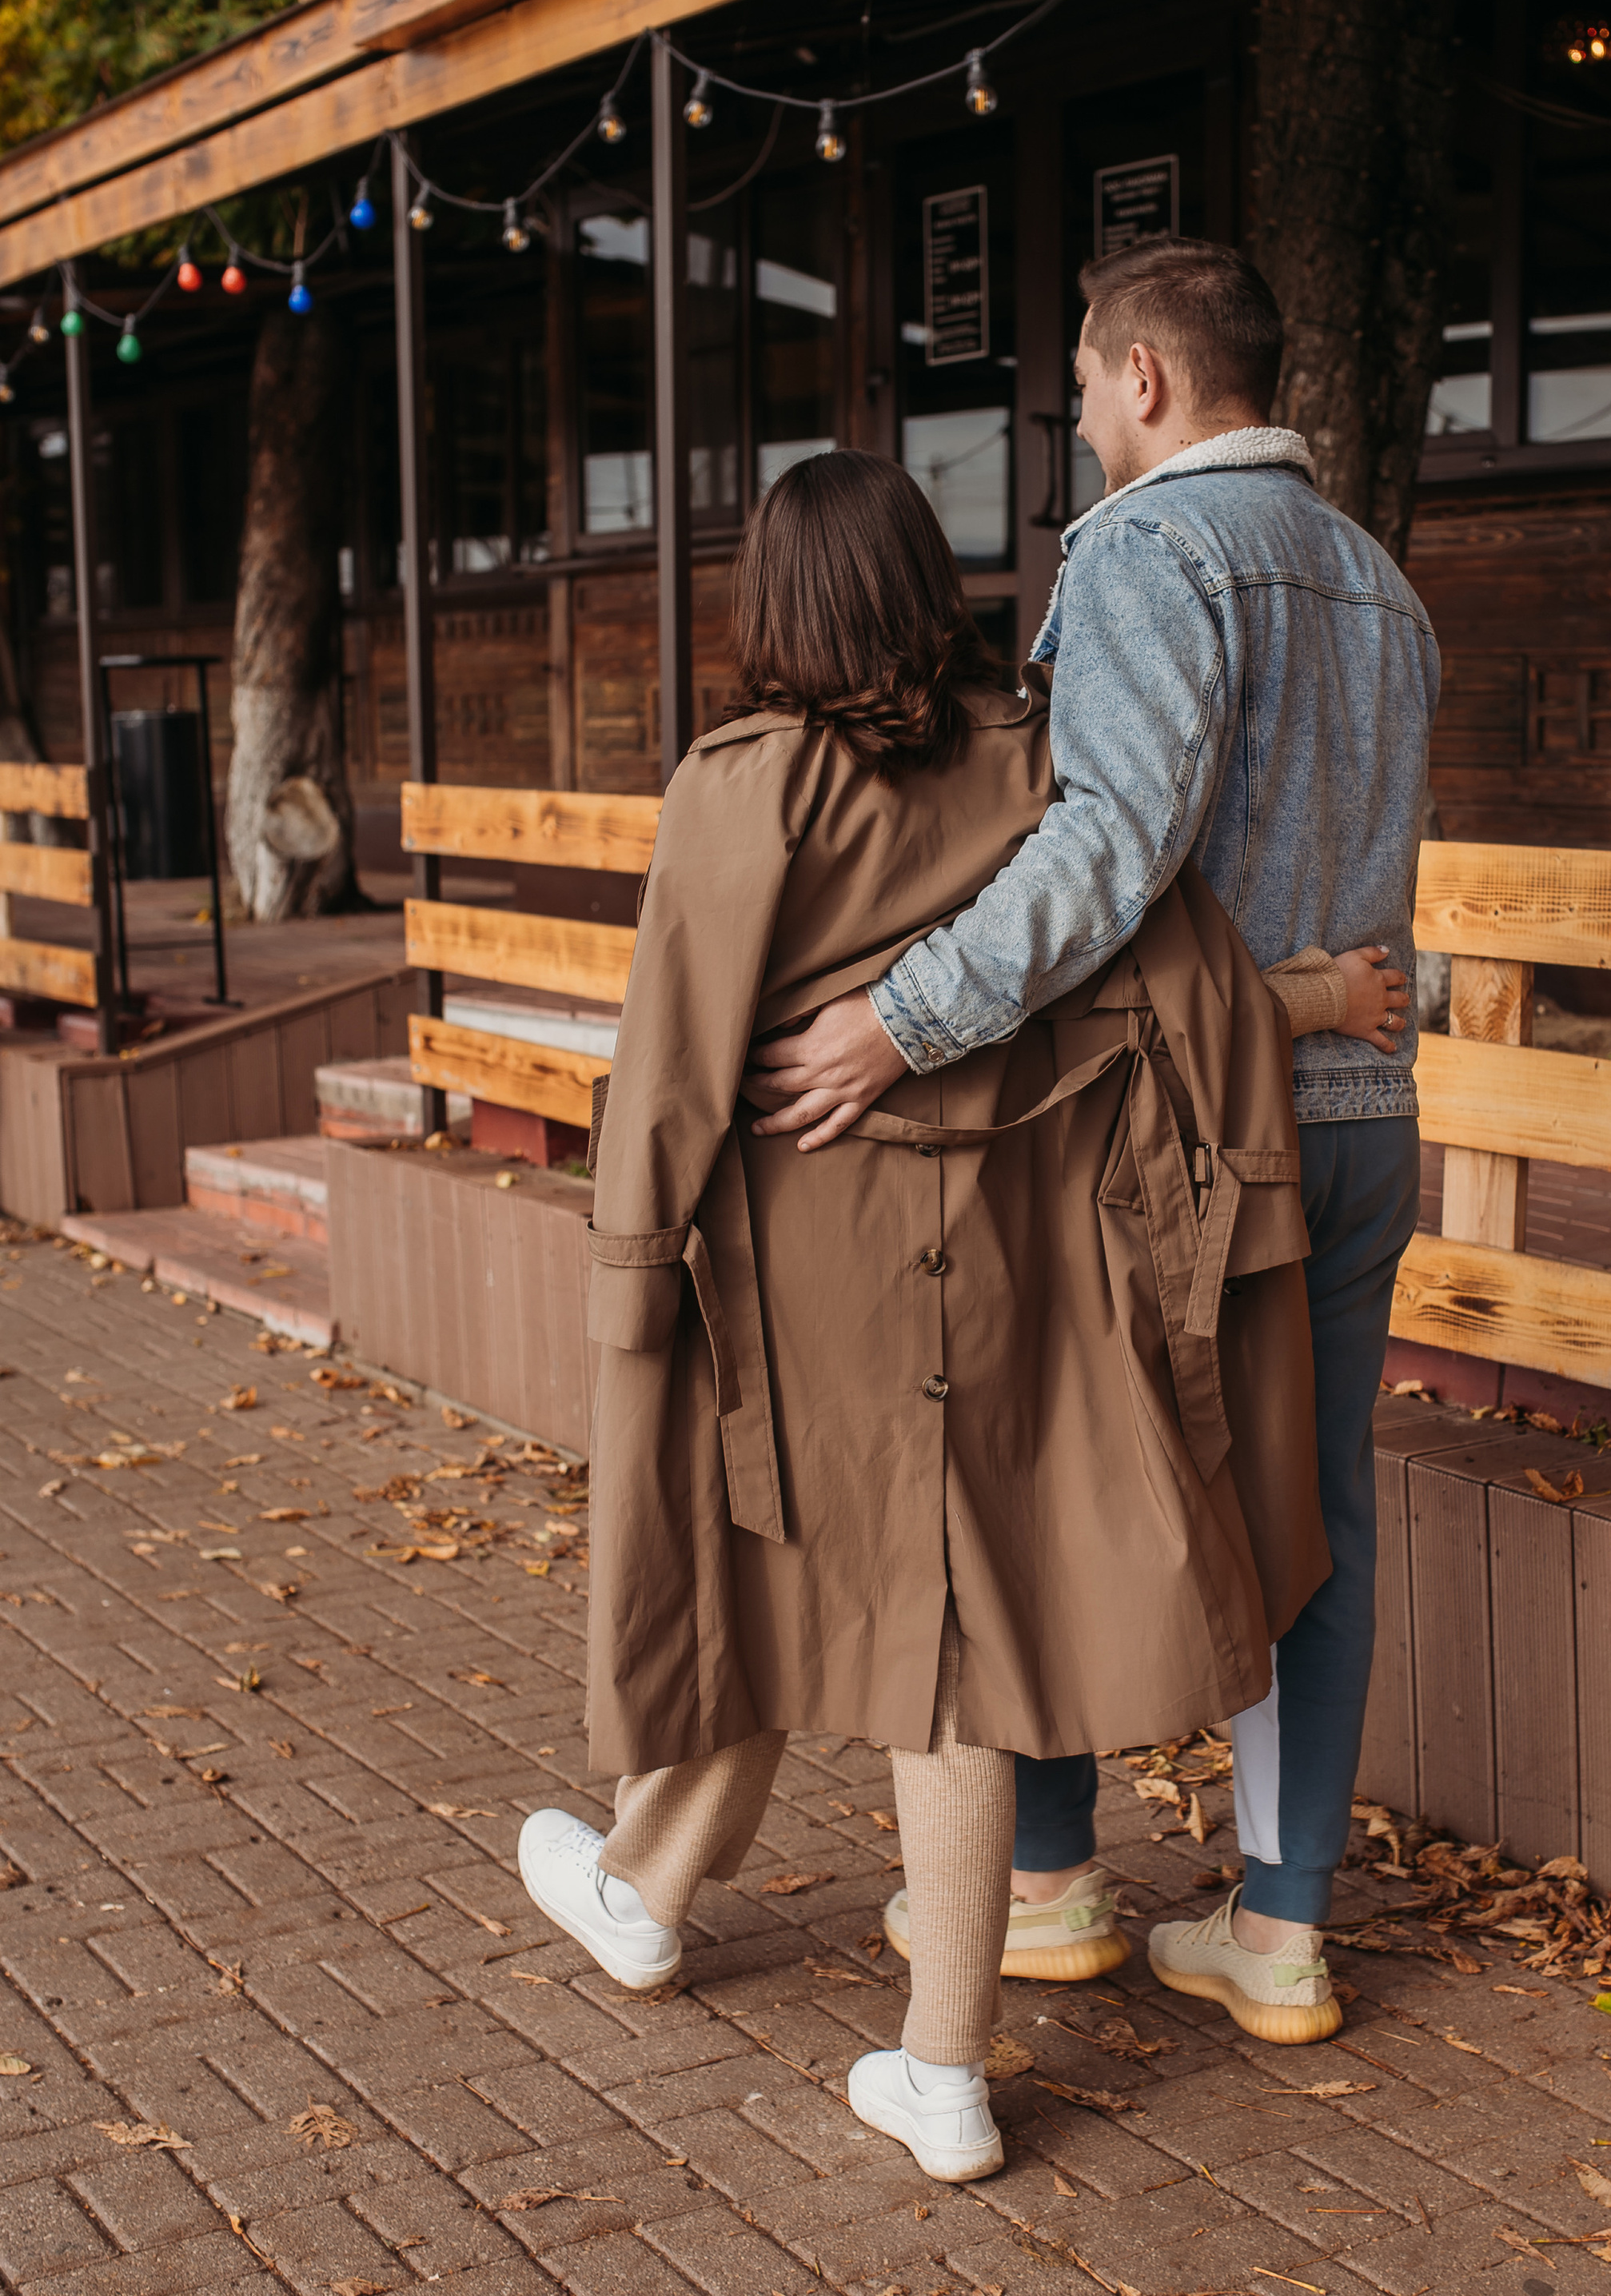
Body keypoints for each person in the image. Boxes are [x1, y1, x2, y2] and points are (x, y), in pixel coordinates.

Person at [517, 449, 1399, 2181]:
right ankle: (910, 2056)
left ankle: (654, 1901)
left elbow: (669, 1073)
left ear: (769, 599)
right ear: (931, 582)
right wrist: (1315, 996)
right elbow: (1163, 988)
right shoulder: (1033, 762)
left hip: (801, 1276)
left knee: (778, 1562)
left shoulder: (743, 781)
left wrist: (631, 1282)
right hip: (1006, 1263)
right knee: (954, 1644)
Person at [747, 241, 1440, 2044]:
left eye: (1075, 387)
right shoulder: (1378, 581)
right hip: (1360, 1115)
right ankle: (1279, 1931)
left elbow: (1102, 850)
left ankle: (1045, 1885)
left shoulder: (1142, 549)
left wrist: (898, 1018)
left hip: (1181, 1127)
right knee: (1319, 1518)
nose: (1076, 422)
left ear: (1141, 373)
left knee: (1043, 1466)